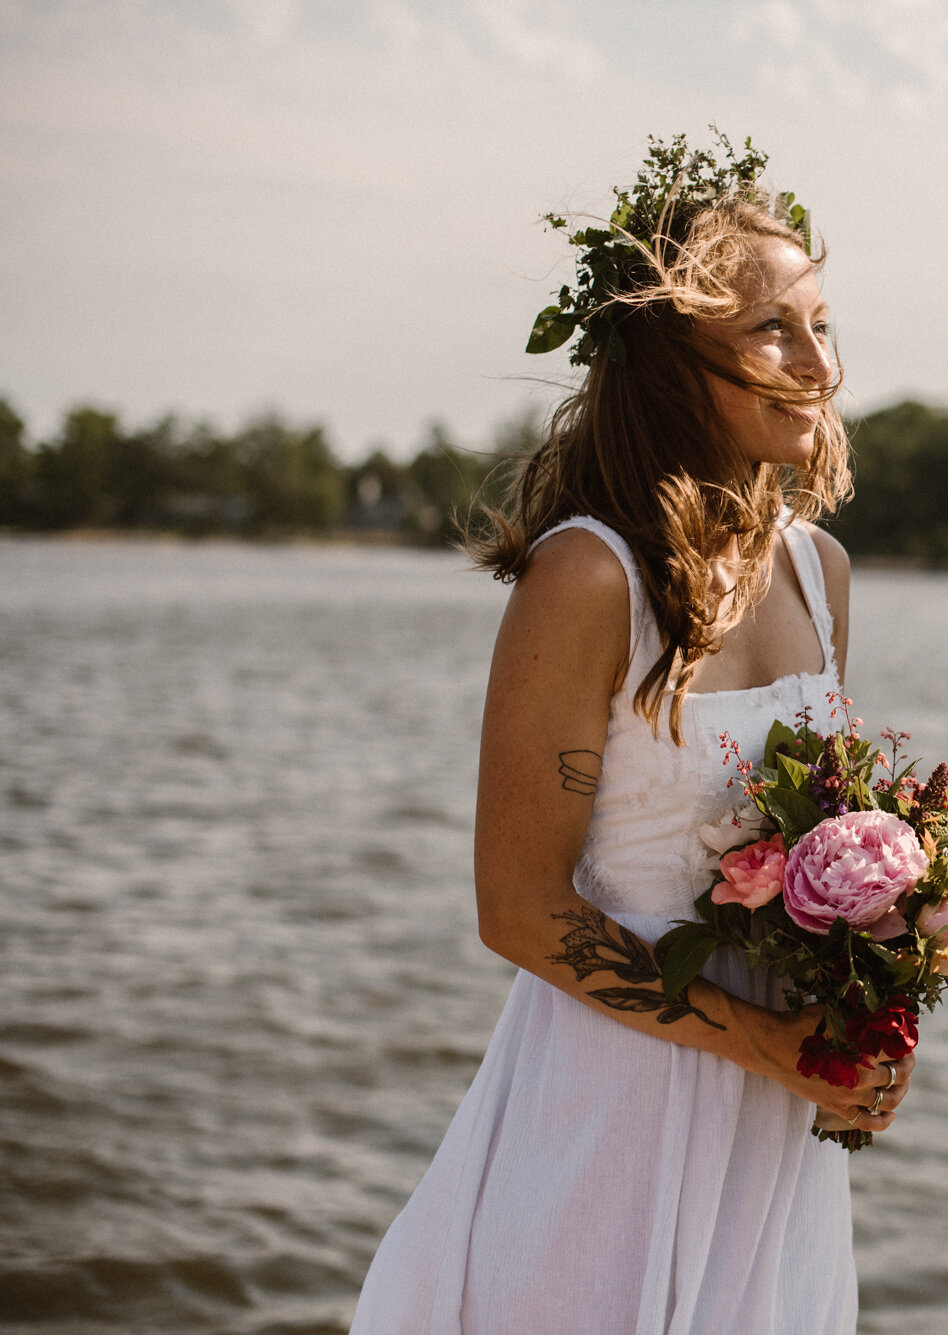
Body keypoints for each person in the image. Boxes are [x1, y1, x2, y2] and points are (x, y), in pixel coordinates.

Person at [349, 136, 900, 1334]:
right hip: (616, 1100)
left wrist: (872, 1019)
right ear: (667, 365)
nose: (819, 365)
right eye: (772, 333)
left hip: (775, 1122)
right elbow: (520, 906)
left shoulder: (821, 572)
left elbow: (825, 853)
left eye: (822, 325)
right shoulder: (589, 580)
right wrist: (764, 1043)